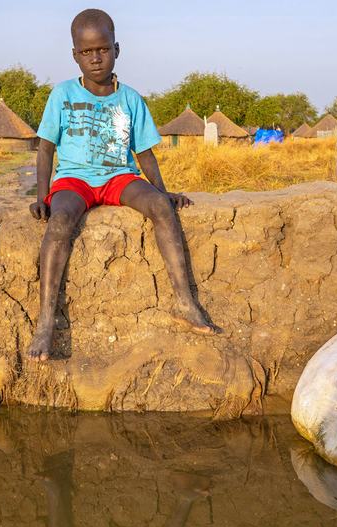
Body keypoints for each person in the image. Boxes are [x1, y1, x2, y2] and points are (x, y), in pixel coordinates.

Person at [27, 8, 219, 362]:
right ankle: (45, 322)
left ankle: (185, 303)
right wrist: (43, 196)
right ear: (75, 55)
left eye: (102, 49)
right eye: (86, 52)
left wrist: (162, 191)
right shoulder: (62, 95)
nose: (95, 58)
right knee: (60, 221)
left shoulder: (130, 99)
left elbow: (144, 153)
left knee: (160, 207)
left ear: (116, 49)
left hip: (119, 177)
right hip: (74, 179)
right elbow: (46, 148)